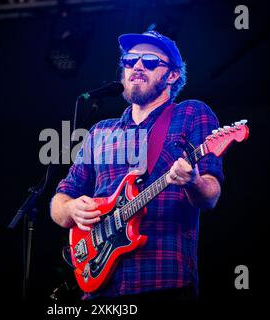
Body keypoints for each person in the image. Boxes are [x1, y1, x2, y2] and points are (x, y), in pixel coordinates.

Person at [50, 30, 223, 301]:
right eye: (130, 60)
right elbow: (61, 202)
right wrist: (70, 207)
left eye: (151, 62)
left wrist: (194, 182)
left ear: (173, 75)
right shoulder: (100, 132)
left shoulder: (191, 113)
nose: (137, 66)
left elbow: (211, 195)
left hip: (163, 280)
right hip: (99, 288)